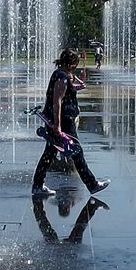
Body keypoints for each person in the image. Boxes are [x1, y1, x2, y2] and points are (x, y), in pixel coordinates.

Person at [31, 49, 110, 197]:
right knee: (76, 151)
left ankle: (37, 186)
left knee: (49, 153)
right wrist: (57, 125)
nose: (76, 66)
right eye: (76, 63)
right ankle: (92, 184)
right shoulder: (62, 77)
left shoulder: (61, 75)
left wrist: (76, 82)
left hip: (59, 120)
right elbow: (57, 101)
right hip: (63, 121)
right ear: (72, 63)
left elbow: (65, 93)